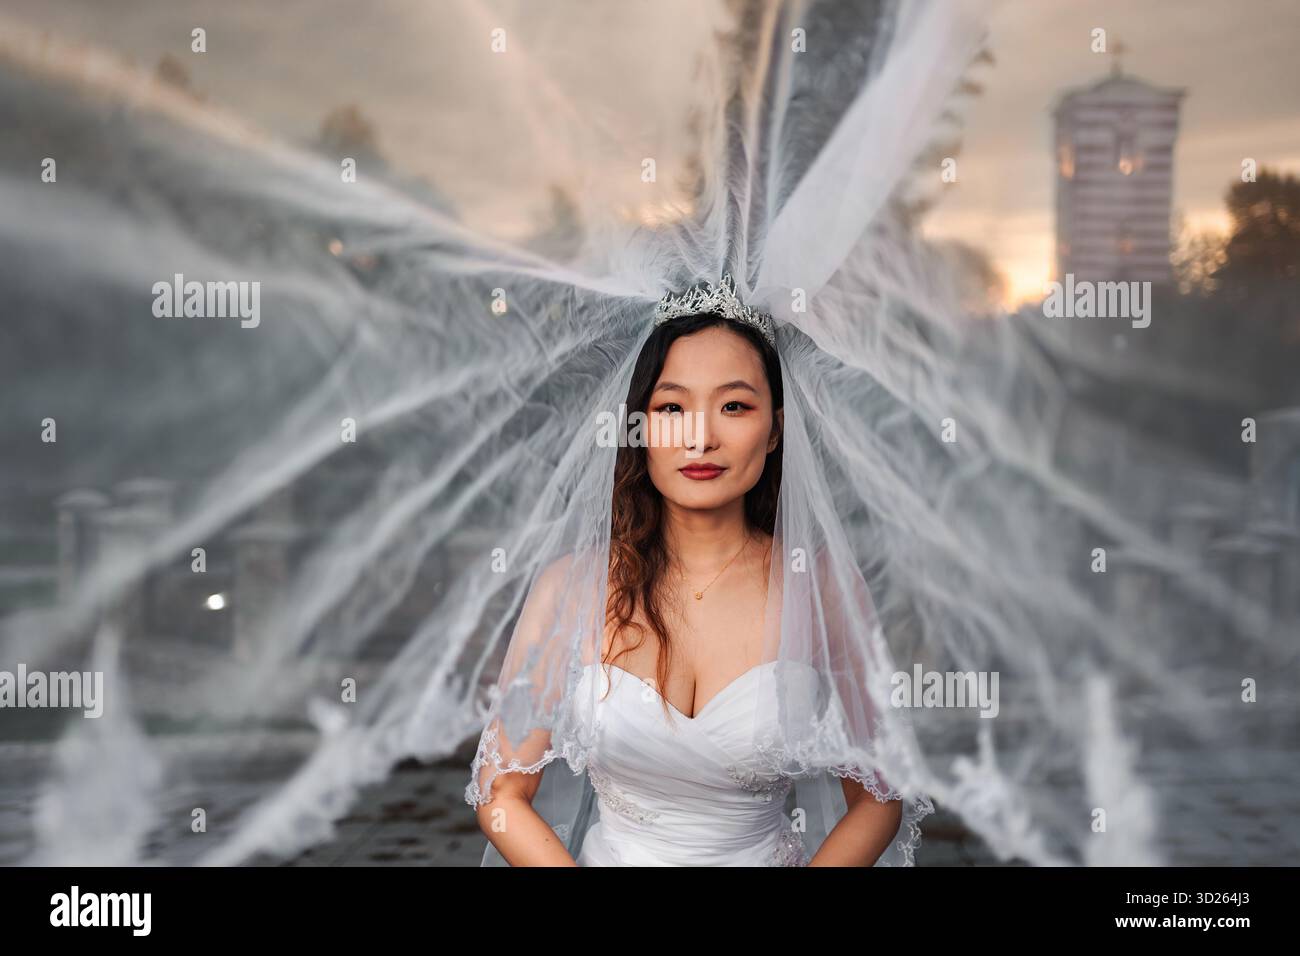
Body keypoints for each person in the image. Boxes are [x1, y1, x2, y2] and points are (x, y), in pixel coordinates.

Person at [465, 276, 929, 866]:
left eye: (734, 405)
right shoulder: (570, 588)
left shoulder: (821, 587)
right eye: (672, 407)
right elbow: (501, 791)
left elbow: (879, 796)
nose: (701, 437)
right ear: (639, 427)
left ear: (776, 428)